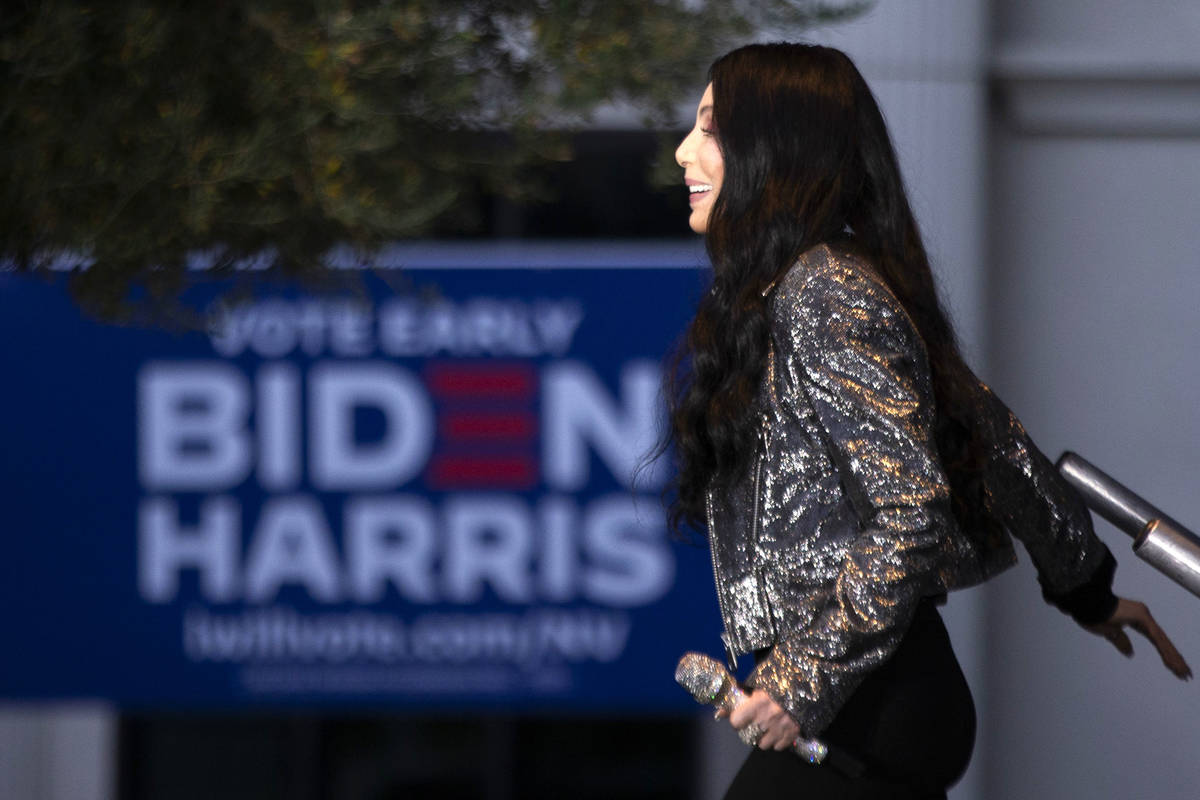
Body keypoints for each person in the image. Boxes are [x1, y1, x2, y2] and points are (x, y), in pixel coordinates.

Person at [666, 42, 1191, 799]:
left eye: (711, 128)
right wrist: (1086, 585)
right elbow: (988, 436)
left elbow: (912, 508)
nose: (684, 150)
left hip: (869, 705)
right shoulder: (816, 282)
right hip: (879, 703)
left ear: (777, 146)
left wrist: (798, 681)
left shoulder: (822, 290)